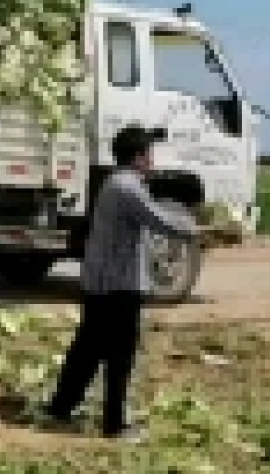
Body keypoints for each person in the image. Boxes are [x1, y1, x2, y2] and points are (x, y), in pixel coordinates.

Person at [41, 124, 200, 441]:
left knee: (88, 349)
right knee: (119, 355)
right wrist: (201, 229)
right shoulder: (128, 187)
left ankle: (60, 409)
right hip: (118, 286)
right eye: (149, 155)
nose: (152, 161)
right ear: (138, 157)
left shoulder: (116, 183)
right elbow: (160, 220)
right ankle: (114, 424)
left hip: (103, 283)